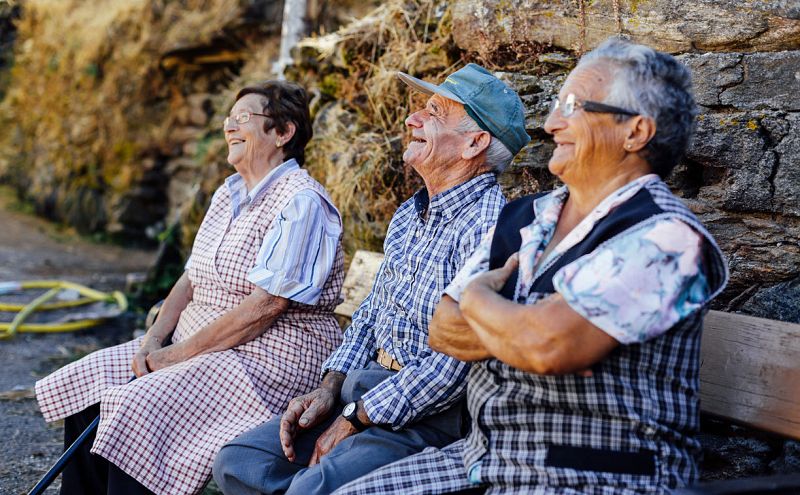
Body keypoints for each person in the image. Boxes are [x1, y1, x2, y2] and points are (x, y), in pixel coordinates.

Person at [333, 37, 730, 495]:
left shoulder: (665, 236)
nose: (551, 123)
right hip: (485, 457)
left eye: (574, 105)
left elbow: (547, 345)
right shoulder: (529, 216)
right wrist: (524, 329)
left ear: (635, 132)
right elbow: (444, 329)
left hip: (596, 473)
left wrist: (481, 297)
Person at [212, 63, 530, 495]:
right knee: (240, 461)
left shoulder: (491, 228)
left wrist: (357, 415)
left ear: (475, 142)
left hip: (427, 416)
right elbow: (369, 316)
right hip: (363, 389)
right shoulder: (410, 214)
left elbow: (455, 365)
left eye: (434, 113)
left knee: (310, 489)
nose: (411, 119)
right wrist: (330, 389)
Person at [34, 81, 345, 495]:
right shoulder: (228, 193)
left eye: (244, 119)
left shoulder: (302, 202)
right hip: (203, 344)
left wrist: (175, 356)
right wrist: (154, 339)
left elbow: (265, 307)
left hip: (266, 360)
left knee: (136, 409)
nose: (230, 127)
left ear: (283, 133)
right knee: (90, 385)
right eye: (227, 120)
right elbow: (190, 278)